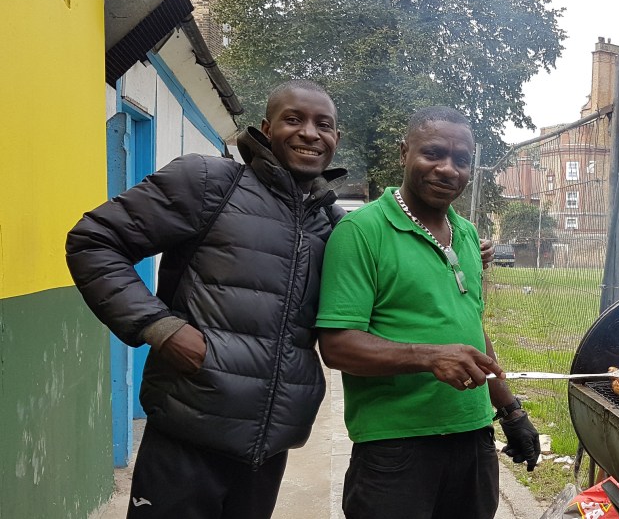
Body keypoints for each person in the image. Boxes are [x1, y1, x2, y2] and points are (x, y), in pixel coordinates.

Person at [65, 80, 345, 519]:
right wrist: (160, 327)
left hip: (266, 450)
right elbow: (94, 242)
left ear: (335, 138)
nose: (309, 133)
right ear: (266, 128)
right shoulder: (210, 182)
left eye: (323, 125)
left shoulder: (332, 223)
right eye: (294, 119)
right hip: (186, 432)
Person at [316, 105, 541, 519]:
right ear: (404, 152)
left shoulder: (467, 234)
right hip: (395, 448)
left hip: (474, 439)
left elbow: (472, 327)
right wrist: (429, 356)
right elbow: (337, 346)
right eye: (433, 153)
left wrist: (510, 410)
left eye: (461, 160)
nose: (448, 169)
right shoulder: (361, 232)